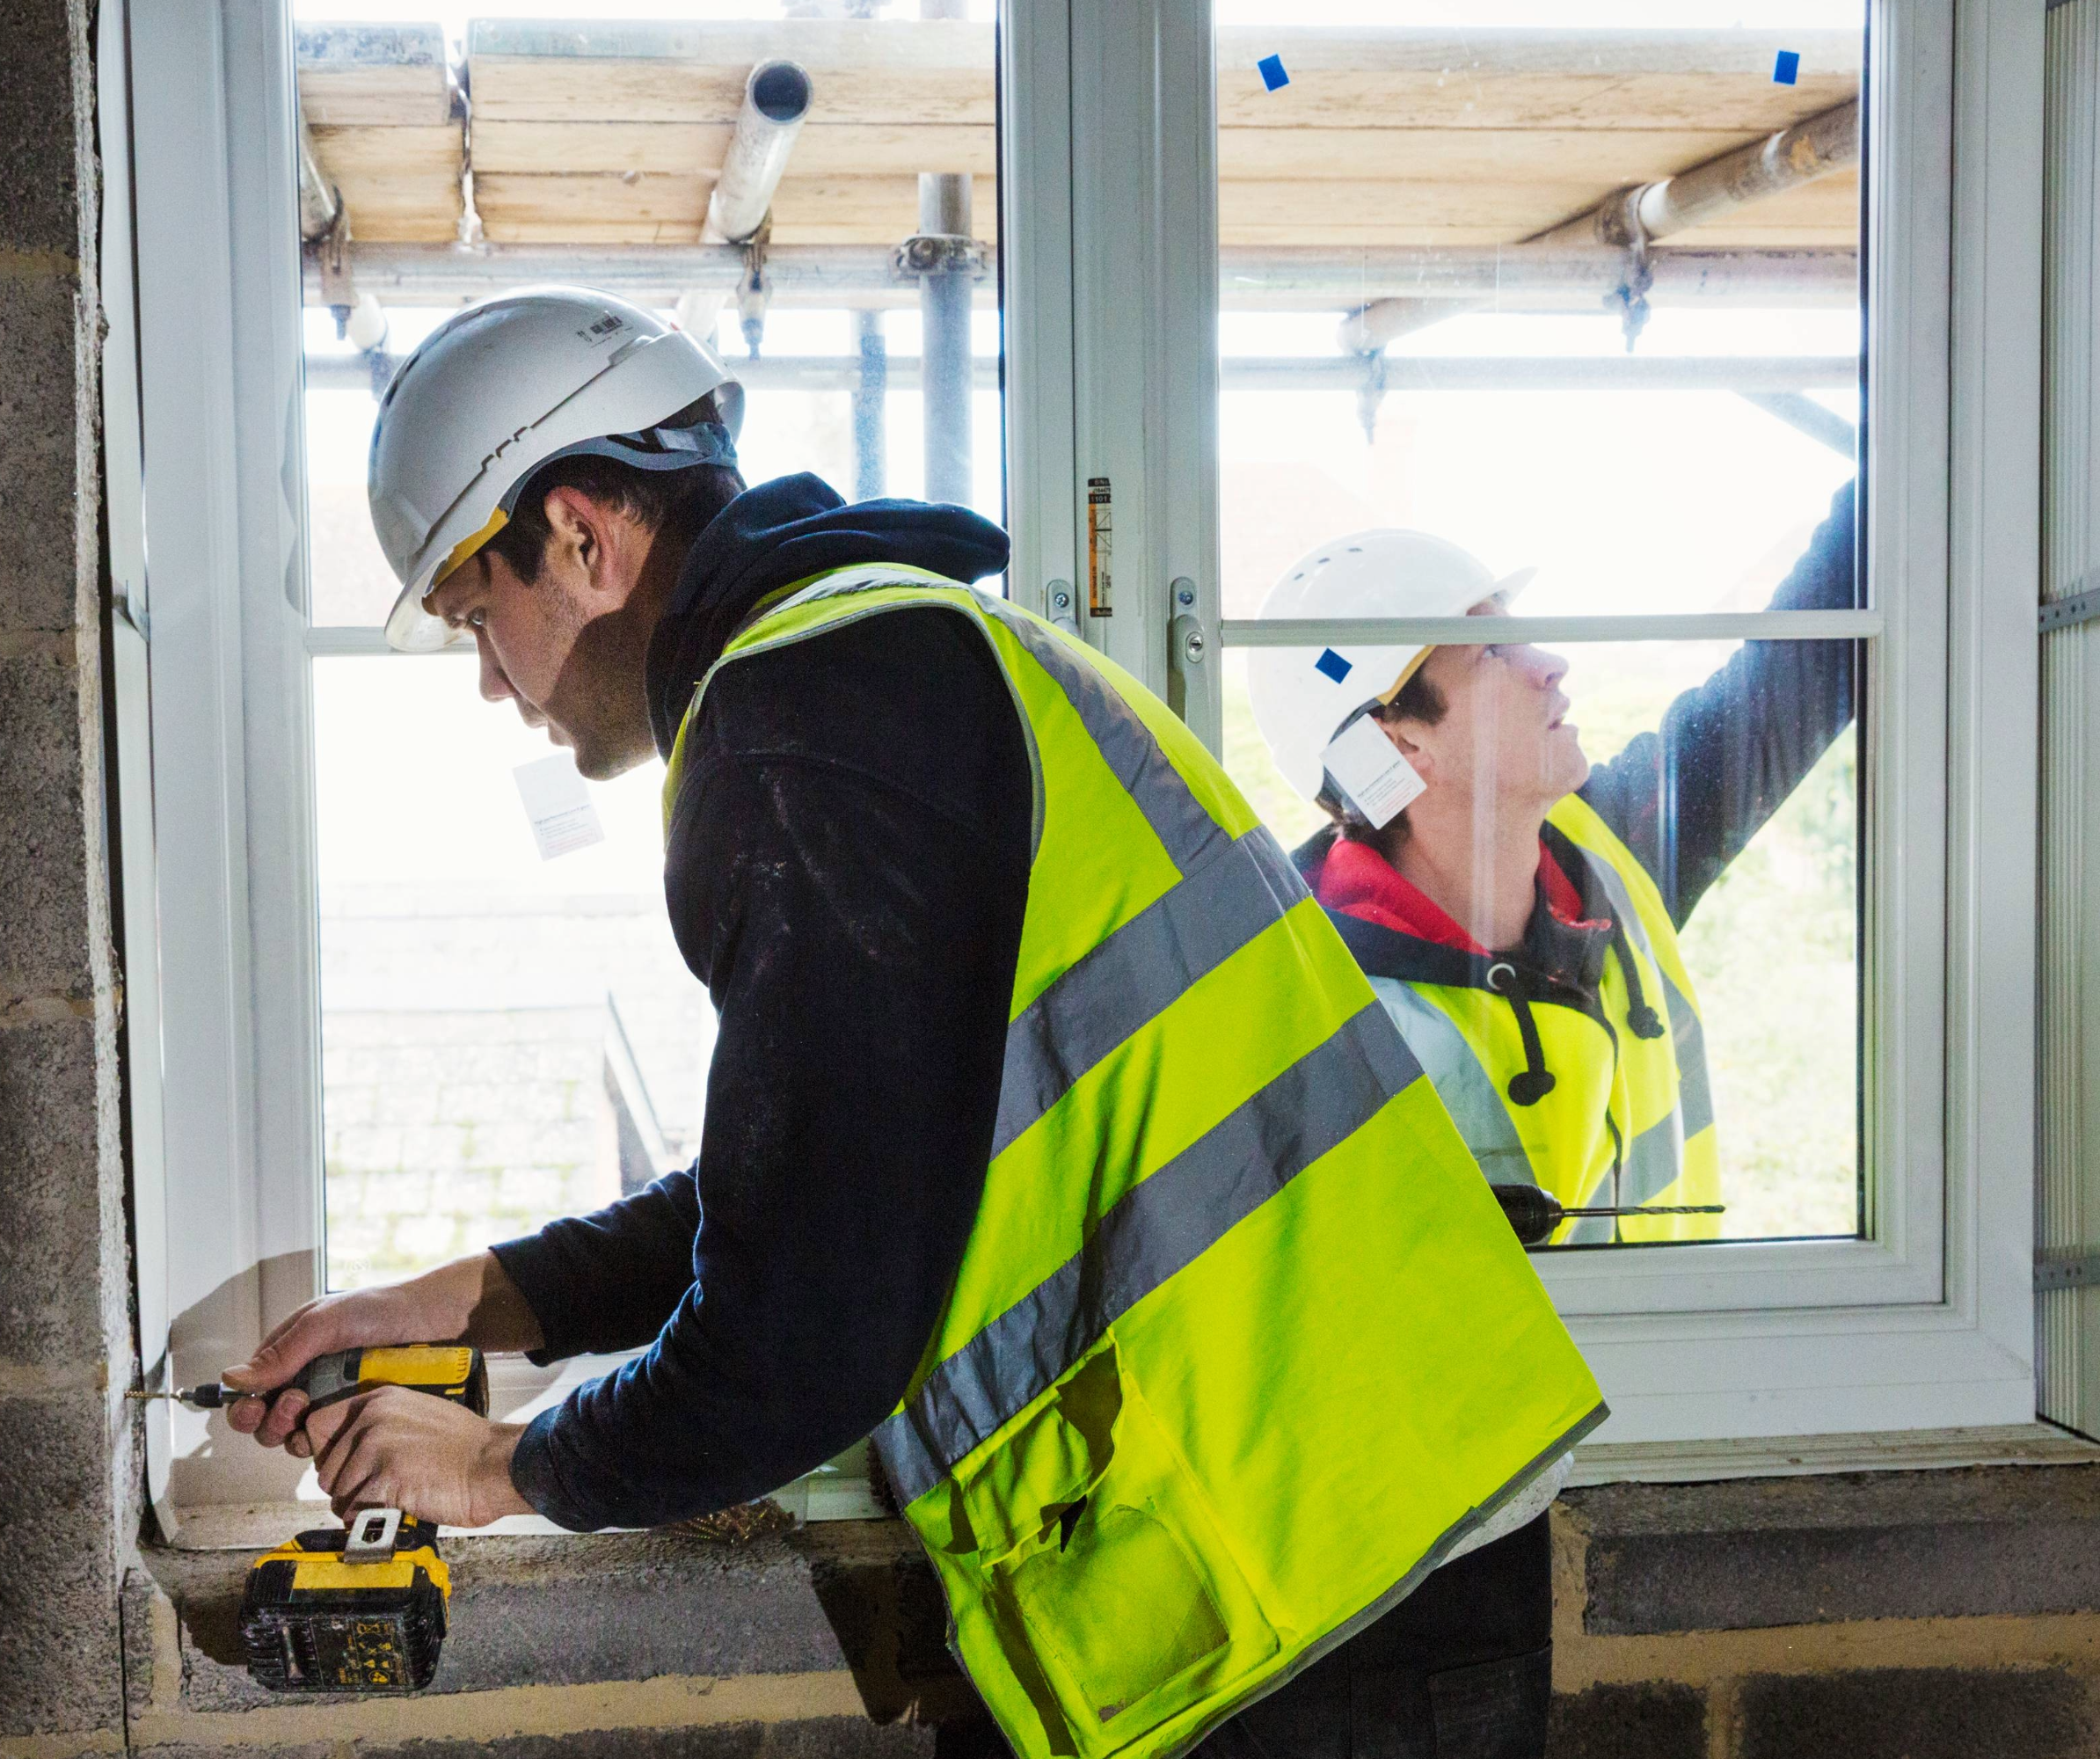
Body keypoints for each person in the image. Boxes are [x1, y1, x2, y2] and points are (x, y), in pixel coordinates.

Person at [222, 287, 1601, 1759]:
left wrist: (500, 1467)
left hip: (1329, 1581)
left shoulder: (800, 725)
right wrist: (471, 1301)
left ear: (578, 535)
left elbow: (804, 1336)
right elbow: (841, 1172)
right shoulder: (886, 663)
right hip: (1351, 1522)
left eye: (475, 618)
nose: (495, 684)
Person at [1250, 485, 1856, 1250]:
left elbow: (1806, 663)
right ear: (1400, 742)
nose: (1551, 665)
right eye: (1492, 652)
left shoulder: (1617, 848)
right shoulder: (1315, 1015)